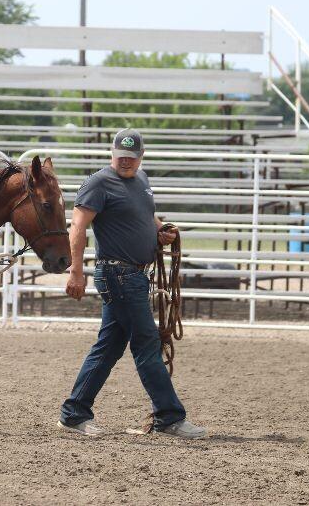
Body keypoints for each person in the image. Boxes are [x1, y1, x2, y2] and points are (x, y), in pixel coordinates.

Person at [58, 128, 206, 439]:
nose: (126, 162)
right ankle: (169, 416)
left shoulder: (141, 180)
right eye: (121, 157)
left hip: (134, 275)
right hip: (118, 274)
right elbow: (78, 226)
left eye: (132, 158)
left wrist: (160, 229)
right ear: (112, 154)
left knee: (109, 346)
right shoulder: (98, 183)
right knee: (146, 343)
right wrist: (75, 271)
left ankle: (75, 412)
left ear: (141, 158)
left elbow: (147, 215)